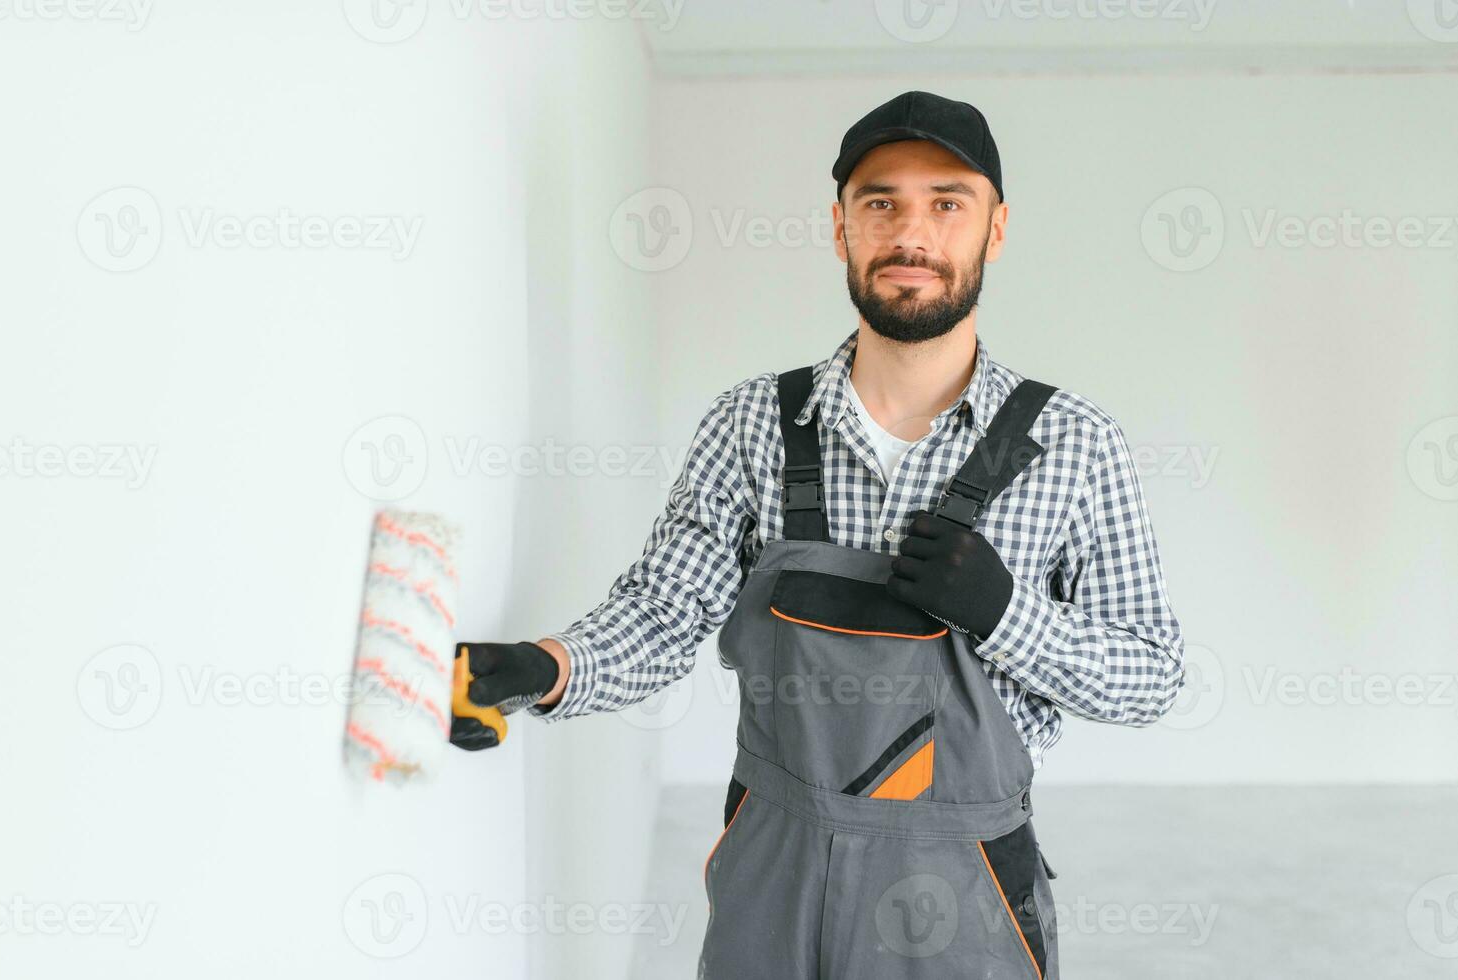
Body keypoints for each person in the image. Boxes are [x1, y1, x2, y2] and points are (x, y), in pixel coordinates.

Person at [452, 90, 1185, 980]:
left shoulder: (1072, 444)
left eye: (947, 203)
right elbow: (663, 610)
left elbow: (1149, 677)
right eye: (880, 203)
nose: (911, 234)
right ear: (841, 229)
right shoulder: (753, 423)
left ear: (994, 231)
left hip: (962, 877)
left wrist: (1003, 614)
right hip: (775, 855)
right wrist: (547, 668)